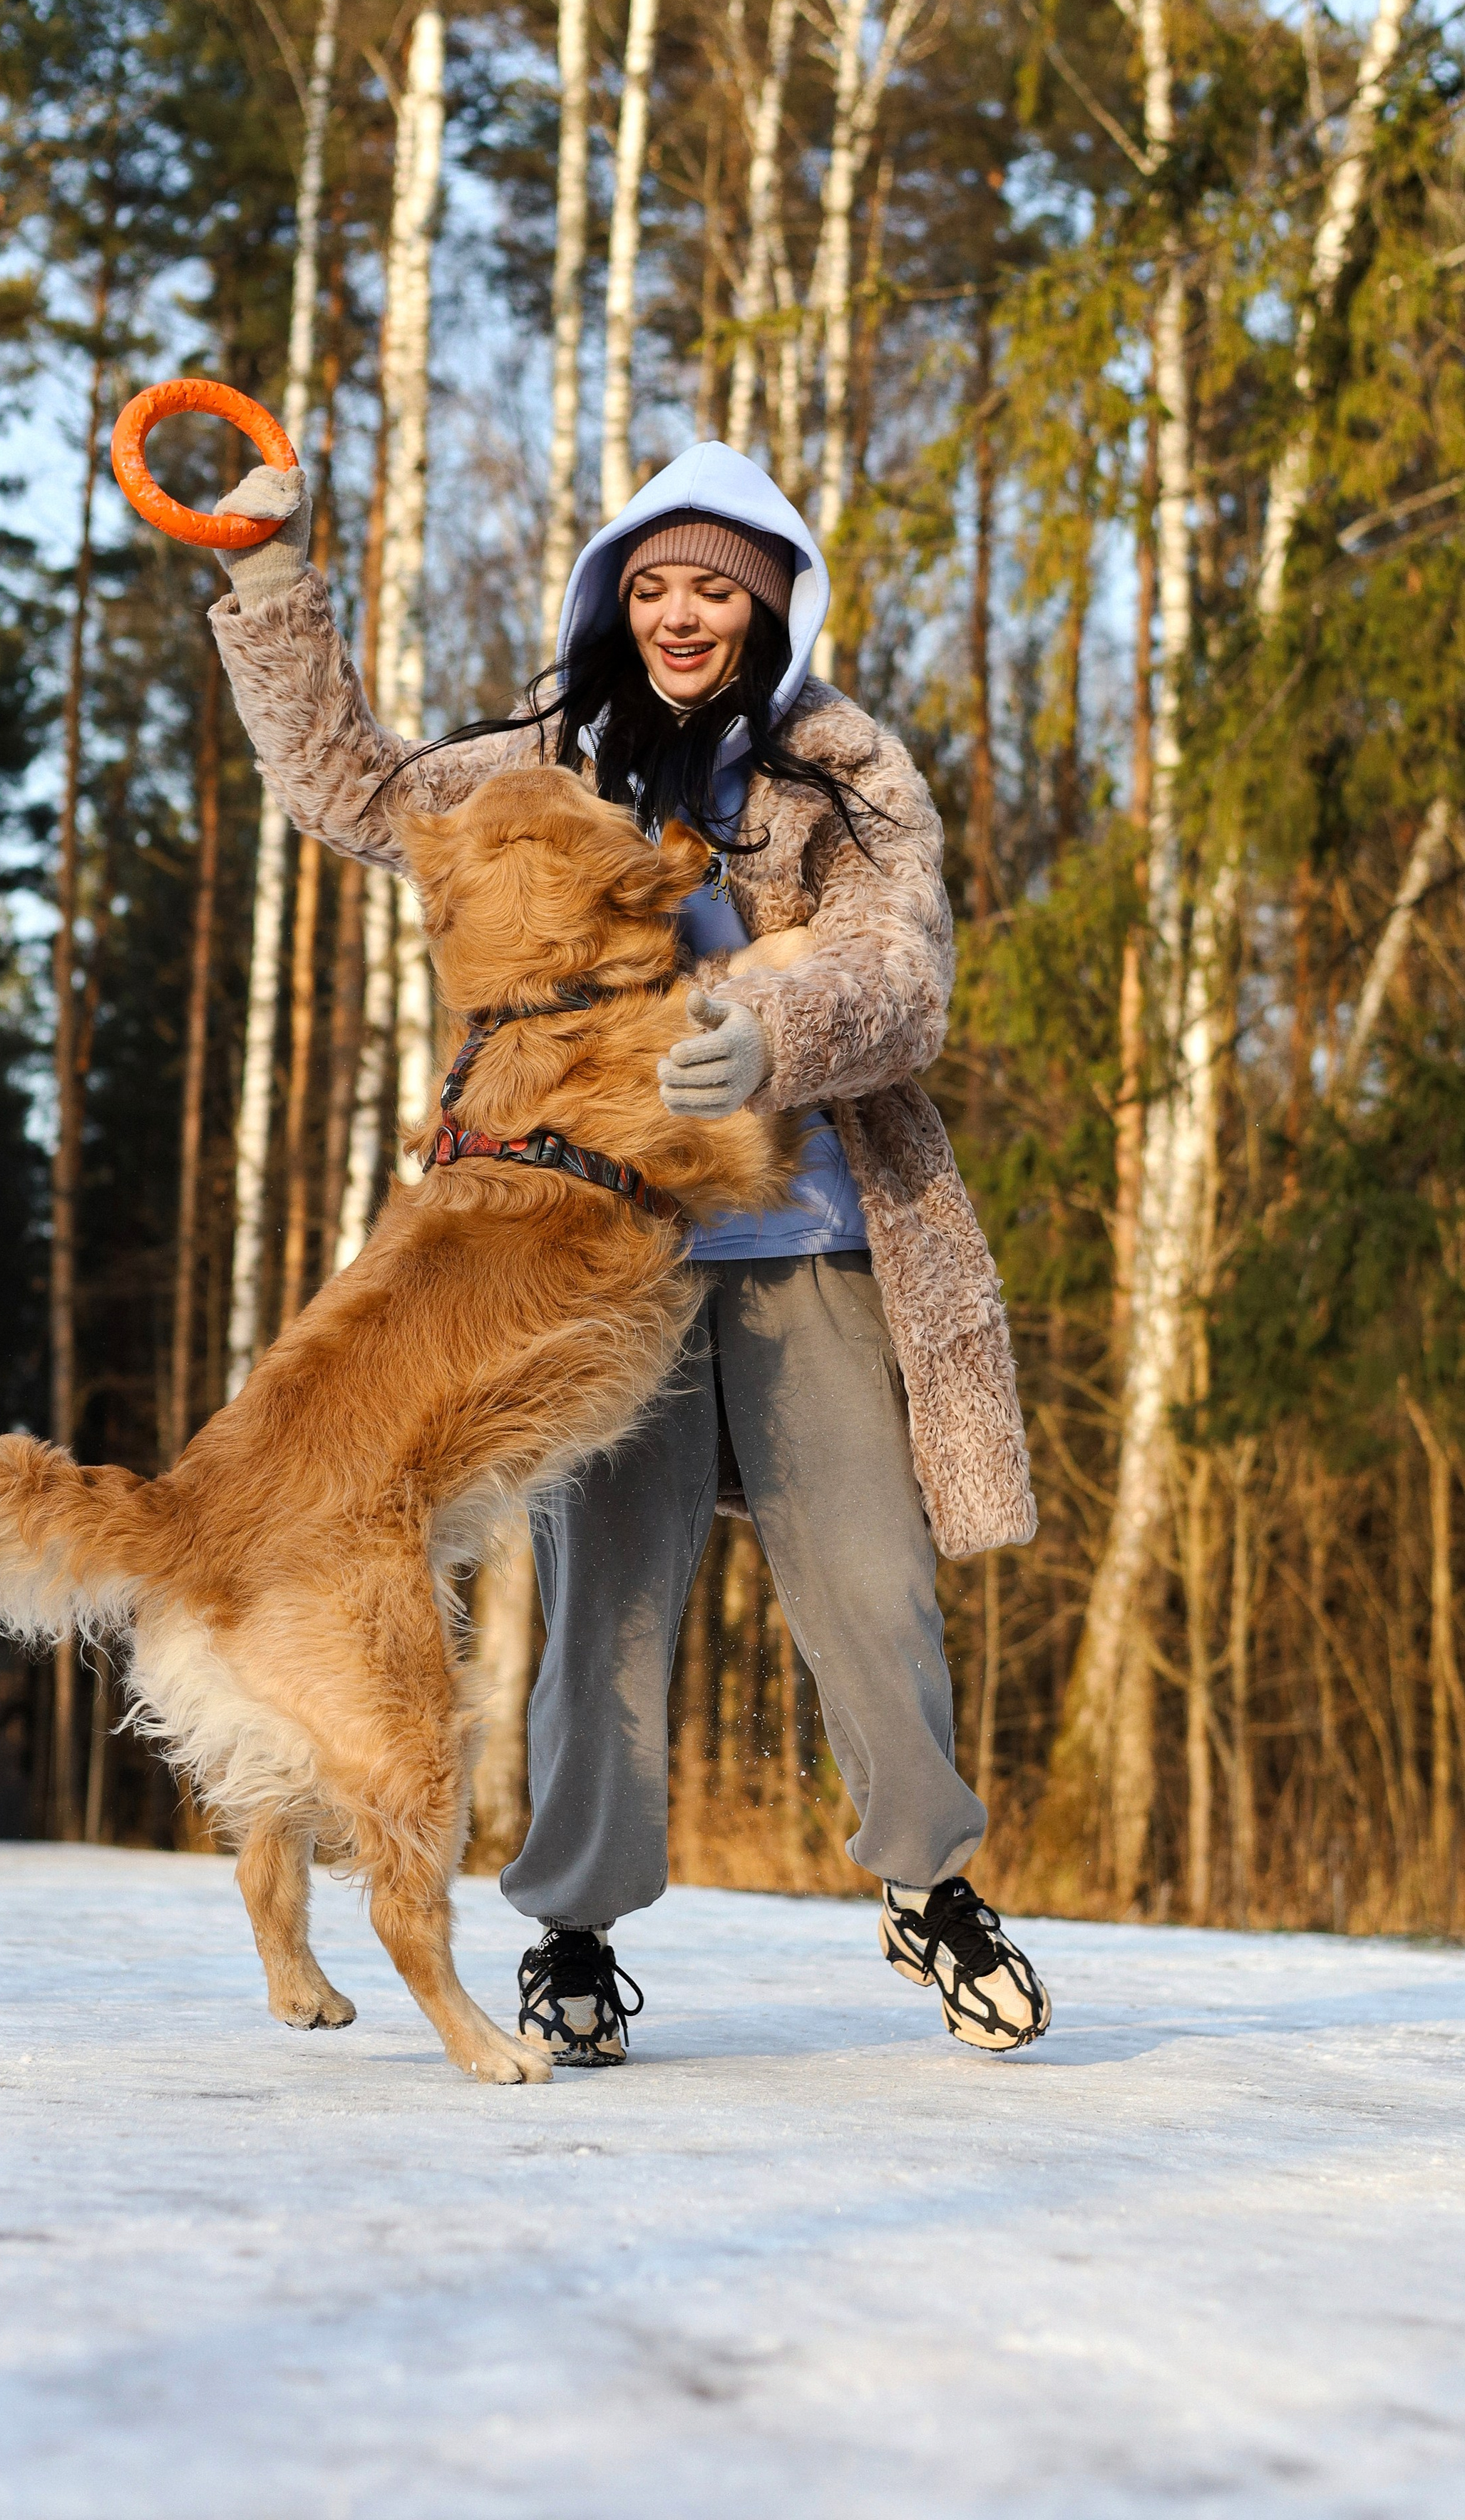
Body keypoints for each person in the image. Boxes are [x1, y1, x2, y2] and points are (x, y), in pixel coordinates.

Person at [207, 439, 1051, 2061]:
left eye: (715, 589)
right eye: (654, 583)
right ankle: (574, 1935)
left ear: (770, 607)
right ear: (614, 597)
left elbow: (900, 974)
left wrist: (764, 1024)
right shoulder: (541, 764)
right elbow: (352, 789)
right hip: (599, 1255)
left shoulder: (845, 766)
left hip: (803, 1233)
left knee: (870, 1584)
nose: (682, 613)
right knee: (606, 1606)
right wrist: (268, 581)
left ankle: (928, 1890)